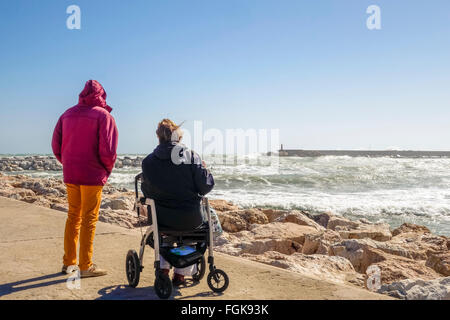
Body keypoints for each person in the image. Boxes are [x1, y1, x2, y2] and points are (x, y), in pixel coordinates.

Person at [52, 80, 118, 278]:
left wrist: (67, 163)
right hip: (92, 174)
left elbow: (56, 144)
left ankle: (69, 263)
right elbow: (108, 149)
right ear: (101, 95)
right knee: (89, 219)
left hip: (71, 172)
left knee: (73, 216)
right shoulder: (103, 115)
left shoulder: (67, 114)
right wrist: (106, 170)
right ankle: (85, 265)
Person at [141, 119, 214, 286]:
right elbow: (205, 187)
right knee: (193, 234)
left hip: (162, 219)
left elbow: (147, 192)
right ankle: (181, 274)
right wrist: (205, 170)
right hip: (190, 218)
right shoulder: (191, 156)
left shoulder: (148, 162)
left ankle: (164, 269)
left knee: (163, 236)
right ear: (178, 138)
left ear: (158, 137)